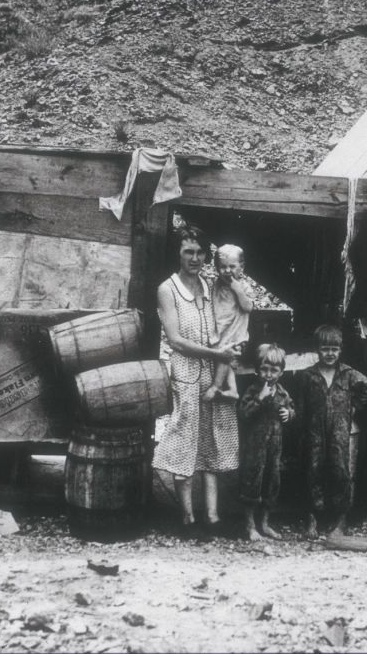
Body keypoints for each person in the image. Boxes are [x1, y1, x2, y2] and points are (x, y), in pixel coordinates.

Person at [151, 225, 241, 539]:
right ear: (178, 254)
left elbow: (230, 318)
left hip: (212, 374)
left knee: (211, 441)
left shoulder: (209, 284)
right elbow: (176, 340)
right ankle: (187, 519)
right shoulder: (168, 289)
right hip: (185, 374)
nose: (195, 258)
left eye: (200, 252)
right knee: (184, 442)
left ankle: (213, 517)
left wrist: (229, 349)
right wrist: (217, 352)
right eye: (188, 251)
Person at [296, 324, 367, 538]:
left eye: (334, 349)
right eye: (325, 349)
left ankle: (341, 520)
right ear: (317, 350)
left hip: (340, 431)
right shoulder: (307, 375)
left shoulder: (348, 374)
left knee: (341, 472)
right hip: (314, 431)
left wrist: (353, 407)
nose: (330, 353)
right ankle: (312, 517)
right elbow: (300, 405)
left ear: (340, 350)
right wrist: (301, 428)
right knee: (313, 470)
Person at [236, 343, 294, 541]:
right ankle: (250, 525)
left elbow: (292, 408)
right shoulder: (253, 390)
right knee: (252, 482)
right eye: (264, 369)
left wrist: (289, 413)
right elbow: (243, 413)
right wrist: (259, 399)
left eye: (274, 370)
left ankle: (265, 523)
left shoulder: (283, 393)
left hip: (274, 448)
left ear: (281, 372)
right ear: (257, 370)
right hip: (254, 447)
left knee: (272, 482)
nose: (269, 374)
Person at [203, 244, 252, 402]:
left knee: (225, 355)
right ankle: (233, 389)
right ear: (217, 268)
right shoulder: (216, 285)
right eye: (223, 267)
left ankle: (216, 386)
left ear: (241, 267)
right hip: (221, 332)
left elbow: (248, 307)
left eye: (232, 266)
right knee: (225, 359)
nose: (227, 271)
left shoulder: (243, 286)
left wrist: (237, 290)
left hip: (236, 336)